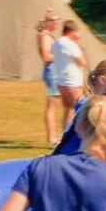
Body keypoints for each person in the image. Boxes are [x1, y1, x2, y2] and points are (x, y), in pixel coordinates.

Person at [51, 19, 89, 127]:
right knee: (79, 110)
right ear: (72, 31)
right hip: (73, 82)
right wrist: (77, 44)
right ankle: (74, 136)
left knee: (68, 109)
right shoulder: (70, 45)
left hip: (62, 82)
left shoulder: (56, 43)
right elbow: (82, 61)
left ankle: (65, 135)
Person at [37, 13, 64, 144]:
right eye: (55, 21)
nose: (57, 24)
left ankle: (54, 135)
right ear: (48, 22)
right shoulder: (44, 36)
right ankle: (51, 137)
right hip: (52, 72)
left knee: (56, 105)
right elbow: (46, 57)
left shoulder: (49, 36)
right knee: (52, 106)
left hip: (56, 71)